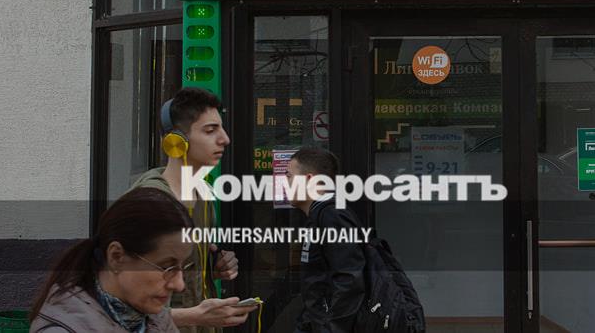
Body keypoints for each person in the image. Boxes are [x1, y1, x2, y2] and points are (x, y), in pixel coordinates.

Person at [130, 87, 256, 333]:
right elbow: (122, 308)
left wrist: (212, 268)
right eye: (210, 130)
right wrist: (196, 316)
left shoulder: (203, 195)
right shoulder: (151, 204)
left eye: (221, 128)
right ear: (176, 142)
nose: (225, 139)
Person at [29, 187, 193, 332]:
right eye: (166, 267)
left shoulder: (154, 320)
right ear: (116, 256)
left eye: (182, 267)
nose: (179, 285)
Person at [286, 147, 367, 333]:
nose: (285, 183)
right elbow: (318, 286)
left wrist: (331, 329)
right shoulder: (319, 216)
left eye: (289, 176)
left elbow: (350, 281)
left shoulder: (332, 216)